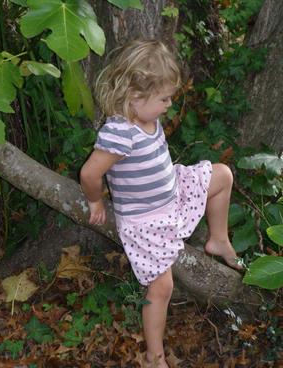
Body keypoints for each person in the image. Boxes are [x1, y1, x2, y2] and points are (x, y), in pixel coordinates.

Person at [80, 39, 242, 368]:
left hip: (173, 193)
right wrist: (95, 202)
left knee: (222, 175)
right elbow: (89, 172)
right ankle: (155, 357)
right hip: (146, 220)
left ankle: (218, 239)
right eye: (164, 98)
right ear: (134, 96)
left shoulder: (147, 118)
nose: (169, 104)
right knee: (161, 287)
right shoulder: (119, 132)